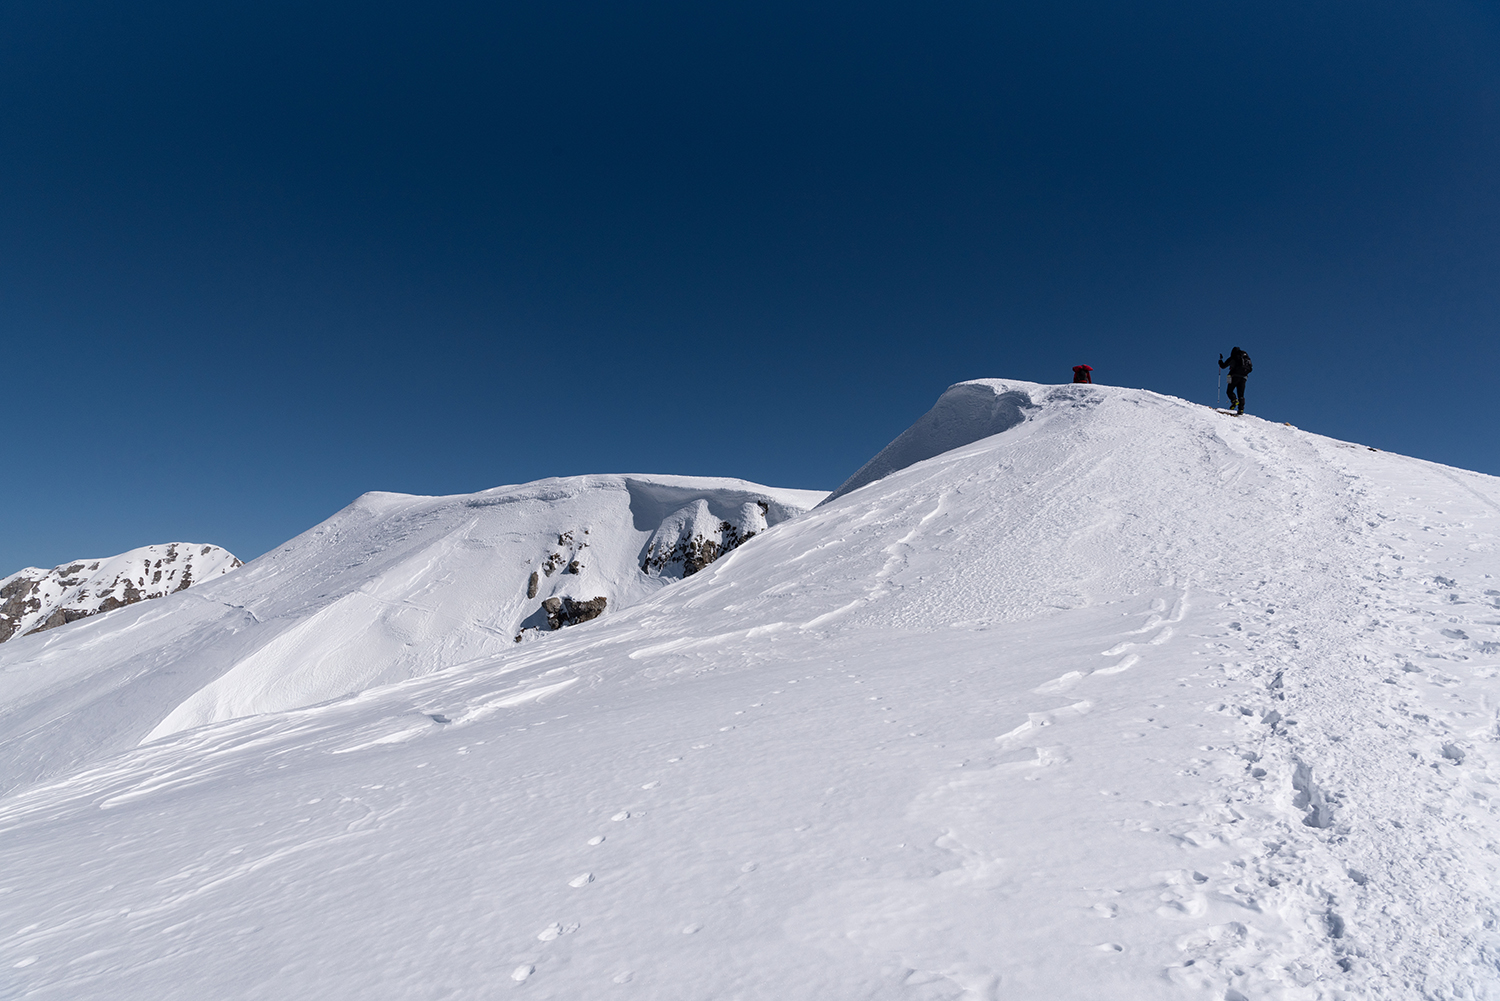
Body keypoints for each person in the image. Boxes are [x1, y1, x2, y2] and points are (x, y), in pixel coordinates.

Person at [1219, 346, 1252, 414]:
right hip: (1244, 377)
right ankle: (1241, 409)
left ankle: (1234, 401)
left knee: (1229, 391)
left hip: (1234, 376)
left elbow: (1223, 366)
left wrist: (1220, 361)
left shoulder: (1233, 357)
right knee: (1241, 394)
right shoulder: (1246, 358)